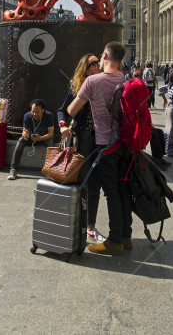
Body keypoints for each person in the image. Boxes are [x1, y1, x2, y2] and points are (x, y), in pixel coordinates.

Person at [67, 41, 132, 255]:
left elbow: (71, 110)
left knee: (111, 193)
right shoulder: (127, 79)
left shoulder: (92, 81)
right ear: (121, 61)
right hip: (126, 143)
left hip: (105, 144)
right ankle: (125, 236)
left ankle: (114, 241)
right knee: (123, 190)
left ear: (104, 55)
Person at [57, 53, 105, 244]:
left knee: (95, 184)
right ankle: (73, 223)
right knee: (78, 183)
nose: (98, 65)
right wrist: (62, 125)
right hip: (82, 140)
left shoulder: (104, 84)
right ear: (85, 68)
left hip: (100, 140)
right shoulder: (77, 86)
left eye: (98, 62)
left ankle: (90, 227)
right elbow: (63, 109)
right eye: (94, 63)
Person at [7, 100, 54, 179]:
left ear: (43, 110)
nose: (35, 114)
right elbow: (24, 131)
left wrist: (41, 138)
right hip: (32, 137)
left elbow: (51, 134)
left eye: (37, 112)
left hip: (44, 137)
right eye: (33, 111)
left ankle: (52, 171)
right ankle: (13, 169)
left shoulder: (49, 116)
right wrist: (25, 134)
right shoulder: (27, 116)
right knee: (21, 140)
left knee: (51, 144)